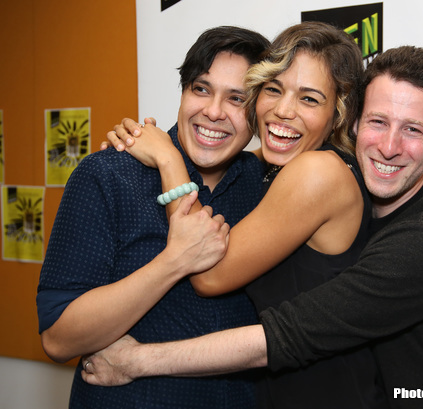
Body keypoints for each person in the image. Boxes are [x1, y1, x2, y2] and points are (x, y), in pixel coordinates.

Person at [83, 46, 423, 408]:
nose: (389, 146)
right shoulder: (311, 174)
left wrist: (138, 361)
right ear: (355, 124)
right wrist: (140, 143)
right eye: (378, 122)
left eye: (413, 130)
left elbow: (262, 318)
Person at [104, 22, 386, 408]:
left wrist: (168, 158)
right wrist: (137, 137)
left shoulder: (317, 173)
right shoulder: (275, 166)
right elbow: (225, 159)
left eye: (309, 99)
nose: (282, 111)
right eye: (274, 89)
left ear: (338, 113)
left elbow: (207, 272)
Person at [36, 26, 270, 409]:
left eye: (237, 99)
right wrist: (174, 262)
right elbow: (59, 338)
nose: (213, 111)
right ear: (182, 91)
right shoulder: (108, 174)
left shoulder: (265, 188)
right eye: (201, 88)